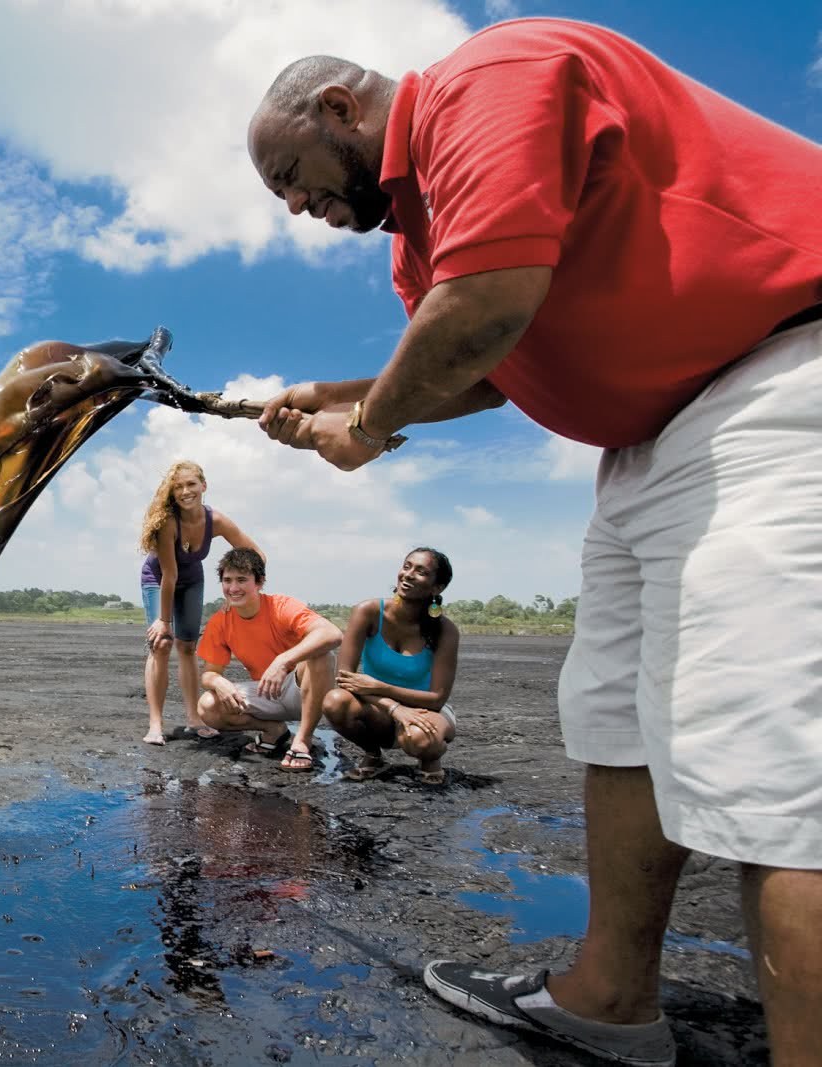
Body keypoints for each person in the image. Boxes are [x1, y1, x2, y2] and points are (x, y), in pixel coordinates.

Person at [244, 17, 822, 1066]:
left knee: (776, 764)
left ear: (340, 109)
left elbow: (483, 313)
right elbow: (485, 368)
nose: (291, 205)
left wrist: (365, 429)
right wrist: (340, 395)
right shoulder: (417, 244)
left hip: (778, 379)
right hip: (651, 445)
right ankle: (609, 996)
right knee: (614, 717)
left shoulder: (485, 80)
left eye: (291, 173)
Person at [137, 461, 261, 745]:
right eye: (178, 487)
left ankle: (194, 718)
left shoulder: (215, 520)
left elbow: (256, 554)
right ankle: (156, 724)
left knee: (189, 646)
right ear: (172, 493)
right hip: (158, 580)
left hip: (192, 579)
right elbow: (169, 575)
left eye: (191, 484)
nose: (185, 491)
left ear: (203, 486)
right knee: (162, 644)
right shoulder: (168, 523)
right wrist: (164, 622)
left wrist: (239, 593)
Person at [194, 547, 341, 770]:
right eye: (227, 580)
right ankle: (274, 730)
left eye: (242, 580)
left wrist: (283, 661)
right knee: (207, 706)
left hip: (302, 690)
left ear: (259, 582)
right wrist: (217, 681)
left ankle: (302, 740)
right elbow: (209, 673)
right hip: (266, 692)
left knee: (322, 655)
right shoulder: (220, 621)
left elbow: (332, 634)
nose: (233, 588)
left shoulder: (281, 606)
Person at [322, 548, 459, 785]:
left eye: (421, 572)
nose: (408, 575)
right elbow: (344, 679)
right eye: (407, 566)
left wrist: (380, 687)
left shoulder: (445, 631)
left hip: (427, 711)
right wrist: (395, 708)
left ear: (437, 588)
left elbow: (436, 698)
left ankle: (429, 760)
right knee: (335, 701)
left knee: (419, 739)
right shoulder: (367, 612)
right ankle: (374, 756)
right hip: (379, 709)